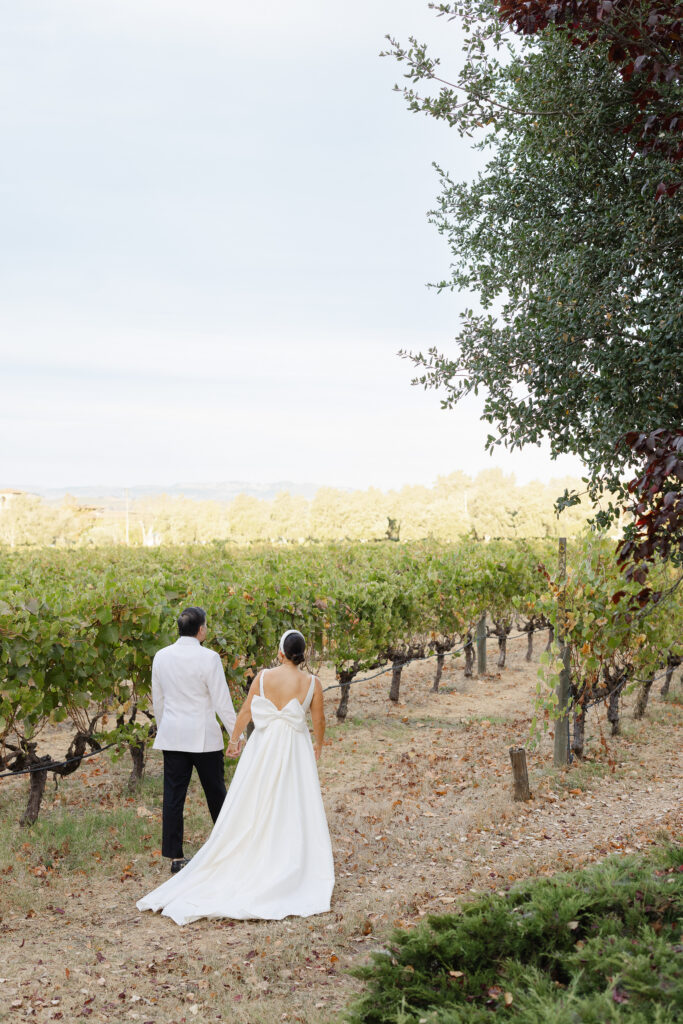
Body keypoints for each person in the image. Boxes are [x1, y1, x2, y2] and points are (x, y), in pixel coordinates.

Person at [137, 629, 335, 925]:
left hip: (264, 747)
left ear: (280, 652)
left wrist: (234, 740)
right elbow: (318, 719)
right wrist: (318, 743)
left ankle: (253, 847)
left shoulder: (264, 677)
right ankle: (289, 854)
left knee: (256, 797)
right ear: (302, 653)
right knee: (294, 798)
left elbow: (245, 711)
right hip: (295, 746)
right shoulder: (313, 683)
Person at [151, 606, 237, 874]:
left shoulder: (161, 657)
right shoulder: (209, 658)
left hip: (173, 736)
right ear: (201, 630)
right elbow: (222, 701)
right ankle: (230, 847)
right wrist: (237, 735)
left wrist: (165, 726)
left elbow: (159, 700)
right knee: (216, 794)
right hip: (204, 738)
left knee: (173, 797)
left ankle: (175, 857)